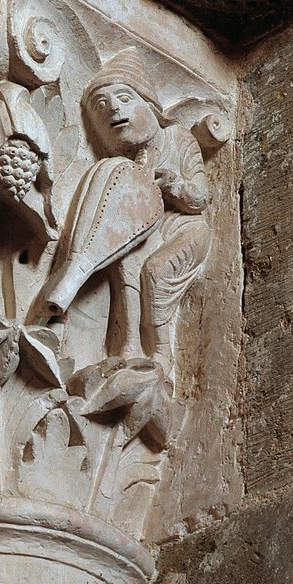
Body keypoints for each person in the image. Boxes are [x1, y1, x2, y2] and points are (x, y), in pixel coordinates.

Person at [37, 49, 210, 361]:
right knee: (125, 261)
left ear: (151, 106)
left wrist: (173, 183)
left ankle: (160, 354)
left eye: (125, 98)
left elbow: (200, 198)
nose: (114, 109)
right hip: (146, 230)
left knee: (155, 271)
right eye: (102, 107)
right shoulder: (121, 165)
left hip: (184, 229)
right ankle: (128, 346)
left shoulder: (177, 138)